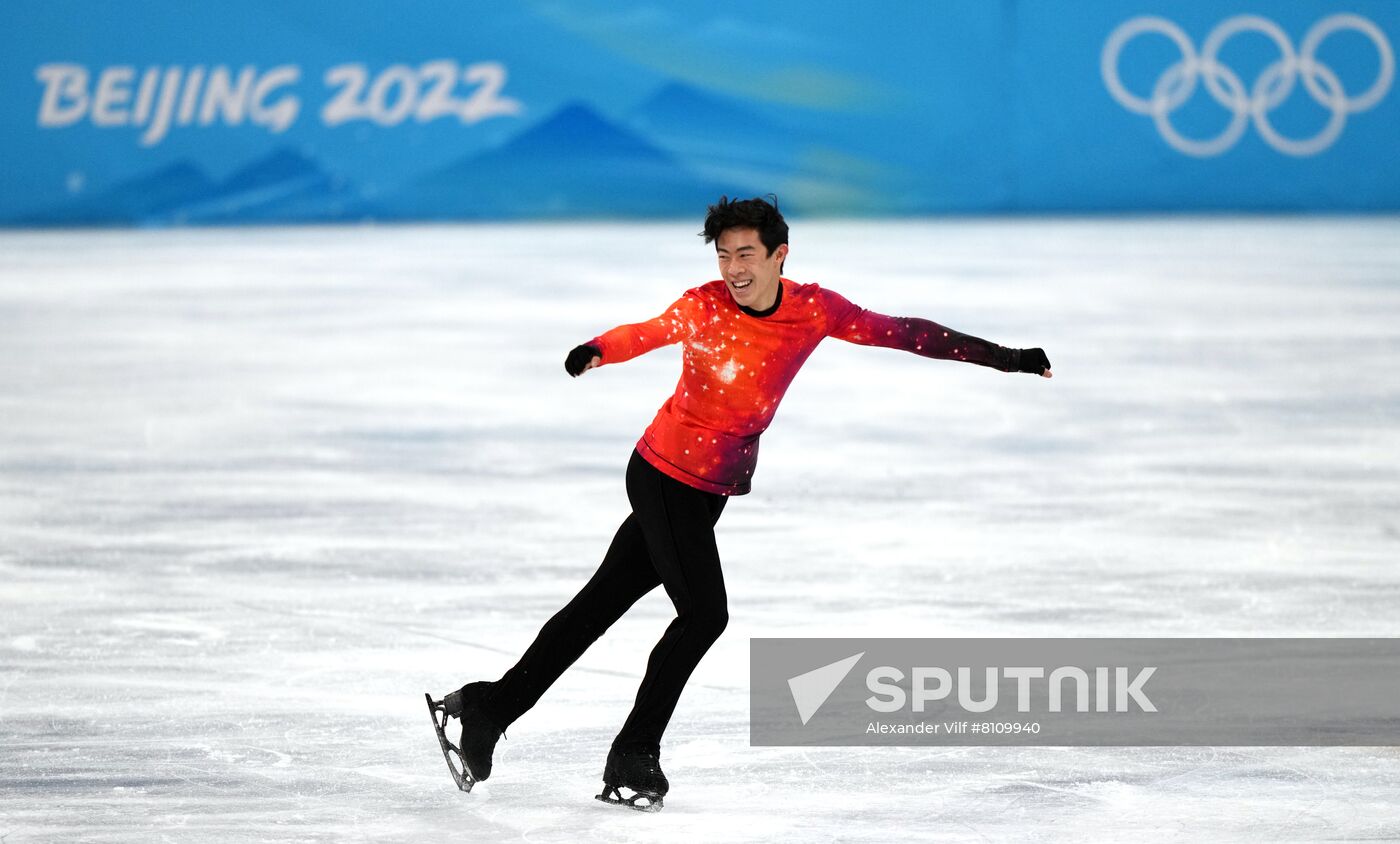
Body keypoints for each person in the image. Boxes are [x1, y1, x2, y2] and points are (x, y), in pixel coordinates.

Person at [427, 195, 1052, 811]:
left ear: (780, 254)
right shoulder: (703, 306)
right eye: (725, 255)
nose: (734, 269)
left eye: (746, 254)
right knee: (703, 615)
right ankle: (635, 752)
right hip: (663, 475)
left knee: (599, 605)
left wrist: (1010, 359)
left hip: (708, 489)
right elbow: (646, 333)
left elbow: (906, 333)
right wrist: (597, 348)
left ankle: (490, 707)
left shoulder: (814, 310)